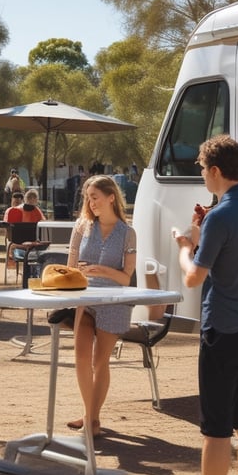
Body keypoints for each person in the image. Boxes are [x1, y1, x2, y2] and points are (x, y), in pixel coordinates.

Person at [174, 135, 238, 475]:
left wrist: (185, 247)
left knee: (216, 429)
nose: (202, 175)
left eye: (203, 168)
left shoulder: (220, 216)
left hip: (223, 328)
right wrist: (205, 230)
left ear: (215, 170)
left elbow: (193, 278)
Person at [65, 175, 136, 438]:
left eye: (95, 197)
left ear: (111, 197)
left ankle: (92, 417)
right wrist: (78, 273)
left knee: (100, 361)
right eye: (88, 198)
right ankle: (89, 416)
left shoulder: (127, 233)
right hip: (85, 298)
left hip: (114, 301)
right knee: (81, 358)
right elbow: (70, 267)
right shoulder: (82, 226)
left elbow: (126, 278)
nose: (91, 203)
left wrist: (102, 270)